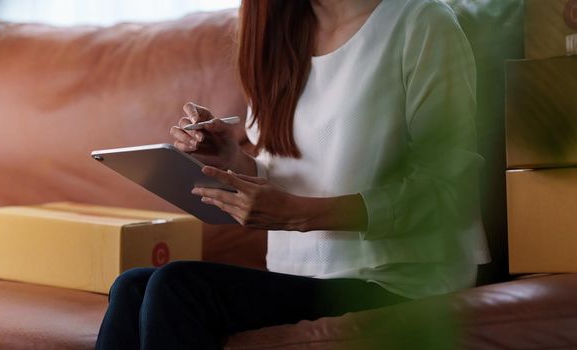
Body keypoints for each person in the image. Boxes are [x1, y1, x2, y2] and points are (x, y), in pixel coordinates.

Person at [95, 0, 490, 348]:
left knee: (178, 287)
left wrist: (303, 215)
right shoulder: (279, 38)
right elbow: (288, 170)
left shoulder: (421, 22)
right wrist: (232, 158)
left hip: (397, 281)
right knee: (131, 286)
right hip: (300, 275)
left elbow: (450, 193)